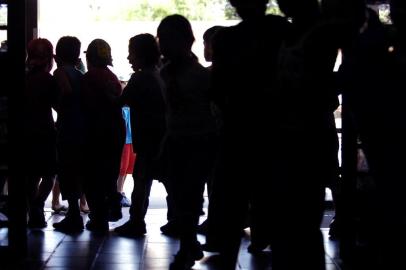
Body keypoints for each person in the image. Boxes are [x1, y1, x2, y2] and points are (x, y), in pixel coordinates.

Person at [157, 15, 219, 270]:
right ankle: (188, 240)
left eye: (165, 39)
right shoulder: (191, 73)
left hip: (192, 141)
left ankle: (188, 242)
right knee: (186, 195)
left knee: (186, 195)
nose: (161, 45)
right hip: (186, 139)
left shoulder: (186, 74)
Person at [114, 33, 166, 237]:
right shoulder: (160, 74)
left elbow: (120, 102)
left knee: (141, 181)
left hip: (146, 139)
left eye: (131, 54)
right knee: (166, 181)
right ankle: (177, 220)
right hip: (161, 137)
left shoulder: (140, 77)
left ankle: (136, 222)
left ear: (142, 55)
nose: (129, 59)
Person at [81, 38, 125, 233]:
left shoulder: (88, 78)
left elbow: (84, 107)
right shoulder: (112, 77)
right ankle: (110, 210)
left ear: (89, 58)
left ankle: (98, 217)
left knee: (92, 177)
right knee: (109, 175)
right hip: (115, 132)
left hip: (95, 133)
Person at [22, 38, 59, 228]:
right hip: (45, 130)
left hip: (25, 131)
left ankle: (32, 209)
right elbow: (59, 105)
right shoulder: (49, 80)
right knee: (49, 173)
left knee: (30, 174)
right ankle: (37, 206)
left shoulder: (24, 79)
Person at [116, 105, 136, 207]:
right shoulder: (121, 107)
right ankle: (118, 193)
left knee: (127, 168)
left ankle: (120, 191)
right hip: (124, 140)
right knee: (122, 168)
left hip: (131, 139)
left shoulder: (130, 106)